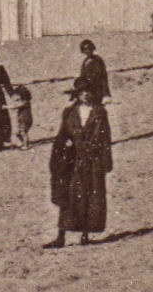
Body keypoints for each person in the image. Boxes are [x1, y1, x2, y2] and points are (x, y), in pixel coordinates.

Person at [46, 80, 114, 247]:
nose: (85, 94)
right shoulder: (69, 112)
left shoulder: (99, 112)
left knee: (89, 196)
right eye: (81, 91)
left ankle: (85, 235)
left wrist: (106, 162)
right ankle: (61, 236)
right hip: (73, 160)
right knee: (69, 197)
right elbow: (62, 134)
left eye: (87, 91)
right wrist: (64, 146)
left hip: (92, 160)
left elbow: (105, 138)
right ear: (77, 93)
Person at [75, 39, 110, 105]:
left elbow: (103, 77)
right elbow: (82, 76)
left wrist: (106, 94)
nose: (87, 51)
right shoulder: (85, 61)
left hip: (97, 91)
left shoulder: (98, 60)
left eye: (89, 48)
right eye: (85, 49)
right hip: (87, 91)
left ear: (92, 48)